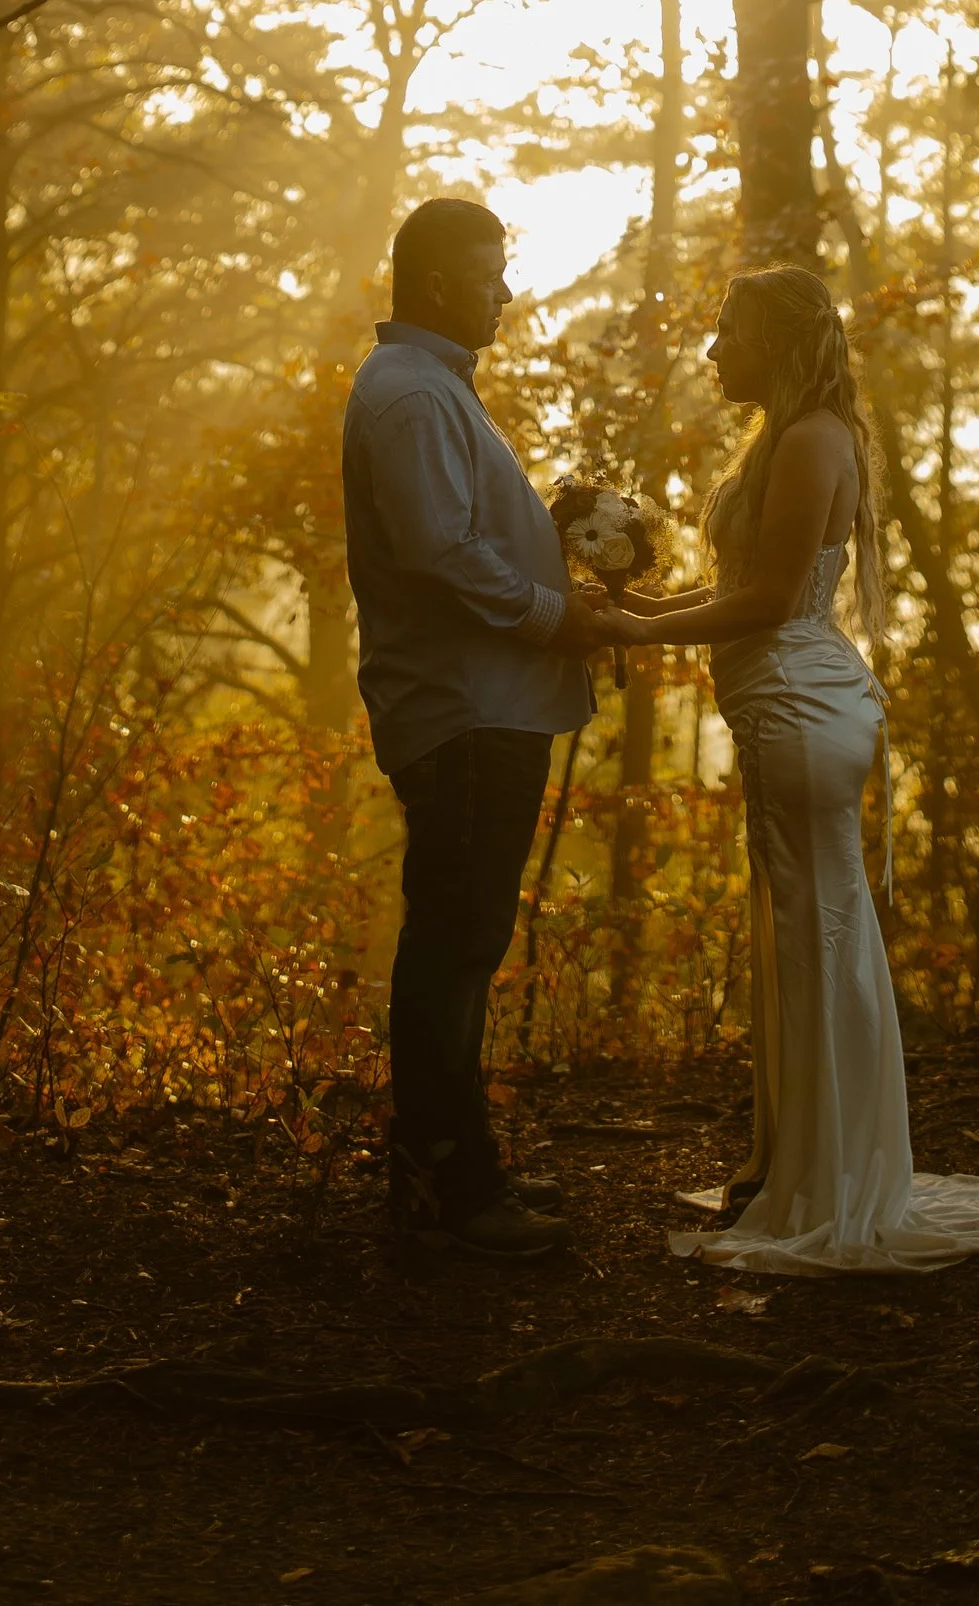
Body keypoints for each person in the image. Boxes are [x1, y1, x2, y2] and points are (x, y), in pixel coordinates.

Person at [616, 266, 979, 1273]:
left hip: (799, 705)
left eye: (728, 333)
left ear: (773, 341)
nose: (712, 351)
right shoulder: (784, 438)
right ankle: (801, 1159)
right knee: (802, 929)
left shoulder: (815, 440)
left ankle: (832, 1177)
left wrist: (631, 636)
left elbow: (773, 601)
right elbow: (738, 580)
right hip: (780, 704)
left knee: (816, 930)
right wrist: (638, 608)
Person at [340, 193, 610, 1260]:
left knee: (462, 943)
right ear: (440, 282)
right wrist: (552, 615)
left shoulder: (433, 388)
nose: (506, 293)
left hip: (485, 705)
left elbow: (460, 534)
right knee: (453, 947)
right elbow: (438, 553)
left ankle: (451, 1164)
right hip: (462, 711)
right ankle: (448, 1186)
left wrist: (552, 541)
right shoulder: (412, 394)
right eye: (491, 274)